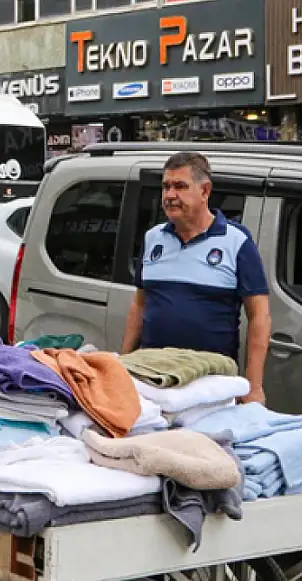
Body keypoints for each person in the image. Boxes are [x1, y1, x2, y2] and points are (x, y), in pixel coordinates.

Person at [122, 151, 270, 406]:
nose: (170, 195)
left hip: (210, 380)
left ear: (205, 191)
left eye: (180, 186)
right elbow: (140, 304)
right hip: (153, 377)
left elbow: (259, 316)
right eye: (166, 186)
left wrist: (253, 386)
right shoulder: (153, 238)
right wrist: (121, 363)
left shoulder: (236, 241)